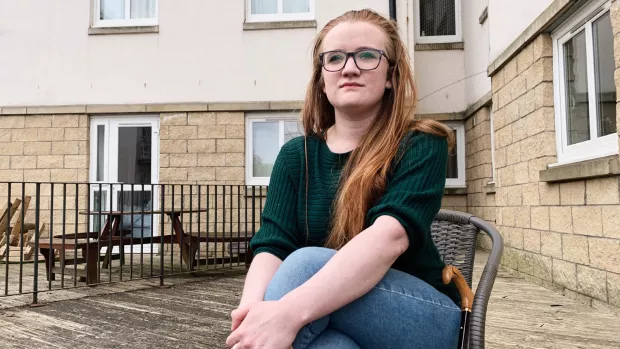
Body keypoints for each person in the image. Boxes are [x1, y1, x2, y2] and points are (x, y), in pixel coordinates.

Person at [226, 8, 461, 349]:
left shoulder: (421, 143)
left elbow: (389, 239)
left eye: (367, 55)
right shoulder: (296, 157)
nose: (350, 67)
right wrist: (251, 310)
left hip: (424, 319)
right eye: (334, 58)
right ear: (322, 78)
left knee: (304, 264)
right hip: (327, 311)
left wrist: (287, 313)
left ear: (391, 75)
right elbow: (273, 245)